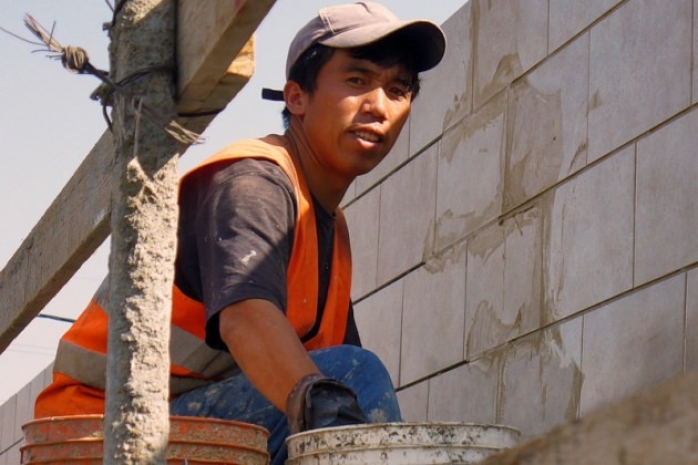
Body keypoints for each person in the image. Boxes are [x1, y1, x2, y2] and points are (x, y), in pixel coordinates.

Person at [35, 2, 446, 463]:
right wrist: (327, 414)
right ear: (296, 98)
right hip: (97, 433)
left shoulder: (327, 231)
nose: (378, 106)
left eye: (398, 89)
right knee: (351, 378)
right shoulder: (252, 183)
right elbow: (246, 318)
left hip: (182, 424)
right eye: (356, 80)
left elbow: (330, 372)